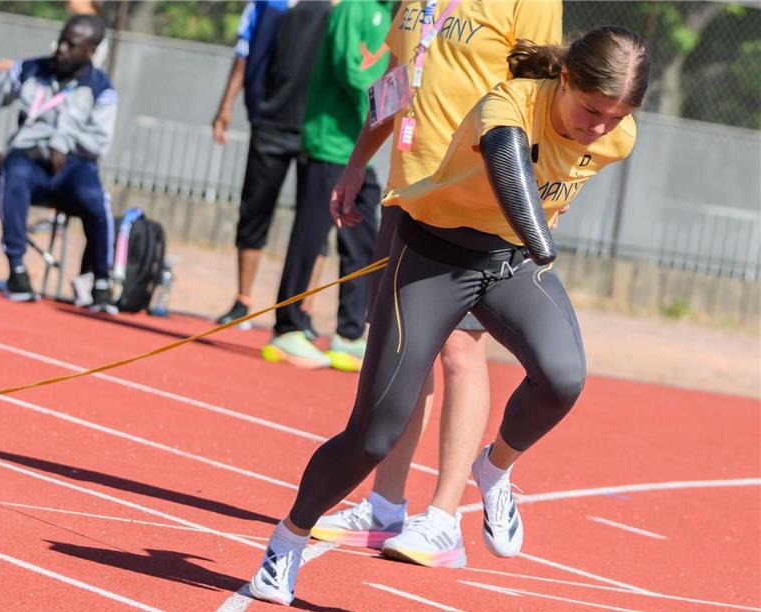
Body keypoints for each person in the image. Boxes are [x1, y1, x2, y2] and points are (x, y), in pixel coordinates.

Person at [248, 25, 651, 605]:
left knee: (563, 379)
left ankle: (494, 470)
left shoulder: (619, 136)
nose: (600, 128)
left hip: (509, 261)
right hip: (434, 254)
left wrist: (538, 243)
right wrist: (544, 246)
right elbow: (512, 177)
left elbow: (562, 179)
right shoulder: (508, 102)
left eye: (615, 118)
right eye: (592, 111)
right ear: (564, 77)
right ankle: (285, 542)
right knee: (374, 434)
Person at [311, 0, 562, 566]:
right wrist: (357, 162)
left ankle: (445, 518)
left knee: (458, 349)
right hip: (409, 194)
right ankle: (384, 506)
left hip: (475, 202)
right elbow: (398, 79)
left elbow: (542, 98)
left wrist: (540, 203)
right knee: (404, 350)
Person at [263, 0, 393, 371]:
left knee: (364, 237)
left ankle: (349, 334)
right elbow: (350, 70)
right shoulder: (357, 7)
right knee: (311, 234)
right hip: (332, 141)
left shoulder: (391, 15)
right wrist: (388, 114)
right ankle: (287, 327)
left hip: (356, 149)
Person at [0, 15, 118, 308]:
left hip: (73, 167)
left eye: (71, 45)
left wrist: (62, 143)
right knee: (14, 173)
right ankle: (17, 269)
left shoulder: (101, 87)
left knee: (95, 198)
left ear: (90, 51)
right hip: (30, 158)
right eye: (61, 40)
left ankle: (102, 280)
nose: (61, 49)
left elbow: (101, 141)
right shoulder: (29, 69)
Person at [211, 0, 331, 327]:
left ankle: (302, 311)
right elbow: (243, 54)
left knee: (316, 223)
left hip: (318, 126)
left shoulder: (335, 5)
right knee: (254, 210)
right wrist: (226, 106)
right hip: (271, 123)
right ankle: (242, 300)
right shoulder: (266, 4)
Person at [0, 0, 108, 73]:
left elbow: (75, 70)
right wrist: (22, 68)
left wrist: (24, 69)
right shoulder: (70, 26)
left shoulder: (96, 35)